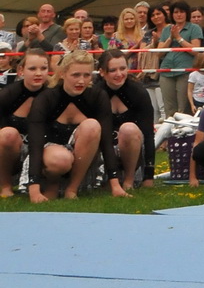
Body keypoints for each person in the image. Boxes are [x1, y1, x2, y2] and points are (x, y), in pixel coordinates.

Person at [25, 51, 126, 201]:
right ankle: (52, 185)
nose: (81, 81)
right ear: (62, 74)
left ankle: (72, 189)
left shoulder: (98, 96)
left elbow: (106, 140)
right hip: (51, 158)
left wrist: (115, 184)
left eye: (86, 75)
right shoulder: (46, 98)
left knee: (92, 125)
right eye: (76, 75)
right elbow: (35, 142)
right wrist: (34, 189)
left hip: (84, 159)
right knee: (60, 159)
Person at [94, 48, 155, 189]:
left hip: (133, 148)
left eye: (123, 69)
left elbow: (148, 134)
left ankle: (129, 180)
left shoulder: (138, 92)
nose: (119, 74)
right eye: (113, 70)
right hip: (104, 149)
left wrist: (149, 176)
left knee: (128, 129)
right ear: (102, 72)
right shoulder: (95, 93)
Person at [0, 48, 53, 198]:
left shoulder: (53, 94)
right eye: (32, 69)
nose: (38, 73)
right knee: (7, 134)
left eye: (43, 68)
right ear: (20, 70)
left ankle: (52, 185)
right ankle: (5, 185)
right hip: (11, 153)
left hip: (44, 149)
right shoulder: (8, 94)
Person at [154, 1, 203, 117]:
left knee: (183, 107)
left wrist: (179, 38)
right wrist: (170, 38)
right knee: (169, 108)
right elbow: (159, 53)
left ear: (187, 13)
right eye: (176, 12)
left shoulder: (194, 28)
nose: (179, 15)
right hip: (166, 71)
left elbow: (195, 50)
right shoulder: (167, 29)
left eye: (182, 12)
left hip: (185, 71)